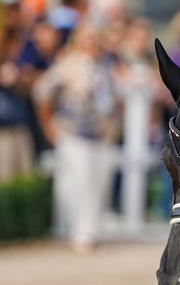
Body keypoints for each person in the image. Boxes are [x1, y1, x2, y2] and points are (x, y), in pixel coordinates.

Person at [33, 23, 120, 253]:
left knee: (99, 184)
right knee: (81, 183)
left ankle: (93, 229)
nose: (91, 43)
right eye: (87, 38)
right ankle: (81, 234)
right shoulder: (68, 64)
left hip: (102, 134)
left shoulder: (105, 65)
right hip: (74, 132)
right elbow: (42, 92)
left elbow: (113, 97)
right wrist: (49, 125)